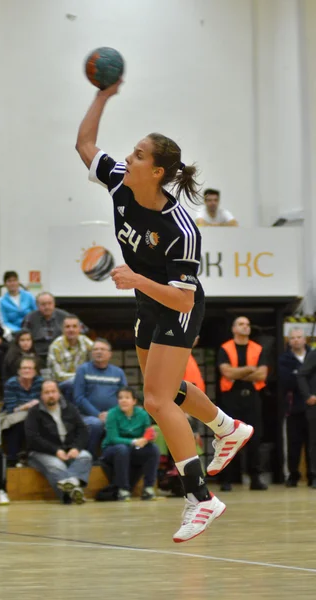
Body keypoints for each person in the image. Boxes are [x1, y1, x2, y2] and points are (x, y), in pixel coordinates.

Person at [76, 80, 253, 542]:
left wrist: (135, 279)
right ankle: (226, 427)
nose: (127, 158)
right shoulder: (118, 180)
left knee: (155, 400)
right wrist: (103, 95)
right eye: (131, 153)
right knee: (168, 388)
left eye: (137, 155)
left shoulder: (181, 228)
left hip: (177, 305)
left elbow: (185, 298)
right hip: (147, 302)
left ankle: (201, 498)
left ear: (156, 172)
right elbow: (85, 144)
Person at [218, 316, 268, 491]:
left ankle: (255, 478)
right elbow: (227, 374)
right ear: (233, 328)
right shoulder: (225, 348)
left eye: (247, 324)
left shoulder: (258, 349)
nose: (245, 327)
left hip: (252, 398)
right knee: (229, 437)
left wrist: (237, 372)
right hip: (231, 398)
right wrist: (249, 369)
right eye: (241, 324)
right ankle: (228, 479)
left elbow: (262, 375)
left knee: (254, 438)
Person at [25, 380, 92, 504]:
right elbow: (33, 438)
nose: (51, 395)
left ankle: (71, 483)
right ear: (41, 395)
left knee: (85, 456)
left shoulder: (70, 408)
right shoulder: (34, 412)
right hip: (41, 452)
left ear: (59, 393)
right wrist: (55, 451)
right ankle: (68, 497)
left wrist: (76, 448)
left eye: (53, 391)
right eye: (47, 392)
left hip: (68, 450)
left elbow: (83, 431)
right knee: (57, 466)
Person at [100, 387, 160, 501]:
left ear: (134, 401)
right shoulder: (112, 414)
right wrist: (133, 441)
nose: (123, 400)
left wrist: (149, 438)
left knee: (153, 449)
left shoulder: (142, 414)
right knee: (122, 449)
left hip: (133, 449)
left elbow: (148, 432)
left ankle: (148, 488)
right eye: (120, 398)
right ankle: (123, 489)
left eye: (127, 397)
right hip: (112, 449)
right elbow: (113, 438)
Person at [74, 338, 127, 457]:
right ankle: (91, 459)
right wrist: (98, 414)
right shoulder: (83, 370)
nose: (99, 352)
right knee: (96, 424)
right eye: (96, 349)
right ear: (91, 353)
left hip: (113, 415)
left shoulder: (118, 372)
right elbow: (79, 397)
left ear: (110, 354)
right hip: (87, 416)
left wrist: (111, 414)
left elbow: (125, 397)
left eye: (103, 349)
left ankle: (113, 460)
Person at [278, 328, 311, 487]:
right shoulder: (284, 359)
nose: (296, 340)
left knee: (313, 442)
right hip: (294, 407)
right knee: (294, 443)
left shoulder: (313, 355)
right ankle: (293, 475)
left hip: (313, 406)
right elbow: (287, 381)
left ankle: (313, 475)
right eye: (293, 338)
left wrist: (299, 374)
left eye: (299, 337)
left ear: (305, 339)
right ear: (289, 341)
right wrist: (304, 376)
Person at [1, 357, 43, 466]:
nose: (27, 371)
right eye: (24, 368)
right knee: (19, 423)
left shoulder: (40, 382)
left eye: (30, 368)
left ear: (35, 371)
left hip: (35, 416)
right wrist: (28, 405)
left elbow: (44, 403)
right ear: (18, 371)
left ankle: (33, 457)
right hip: (13, 417)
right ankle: (12, 458)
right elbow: (11, 409)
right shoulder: (11, 383)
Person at [47, 314, 93, 403]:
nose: (71, 330)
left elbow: (98, 352)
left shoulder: (85, 341)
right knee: (73, 383)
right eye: (67, 327)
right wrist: (81, 376)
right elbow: (58, 375)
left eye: (74, 326)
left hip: (82, 381)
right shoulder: (56, 346)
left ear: (79, 329)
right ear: (63, 330)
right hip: (60, 385)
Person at [22, 292, 70, 362]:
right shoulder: (30, 318)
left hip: (61, 354)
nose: (47, 307)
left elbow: (82, 331)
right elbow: (23, 338)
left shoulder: (65, 316)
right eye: (43, 304)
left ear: (54, 304)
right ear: (37, 305)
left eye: (49, 303)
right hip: (37, 356)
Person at [0, 271, 37, 341]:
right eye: (9, 281)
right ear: (5, 284)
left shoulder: (29, 296)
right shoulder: (1, 301)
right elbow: (4, 322)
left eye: (14, 280)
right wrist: (19, 331)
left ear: (18, 282)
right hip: (14, 333)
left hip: (31, 330)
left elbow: (36, 312)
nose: (12, 283)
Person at [297, 348, 316, 488]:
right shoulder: (314, 354)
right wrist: (308, 395)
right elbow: (301, 374)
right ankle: (314, 475)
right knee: (314, 442)